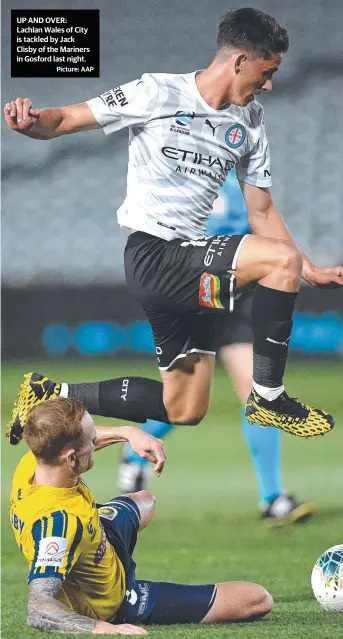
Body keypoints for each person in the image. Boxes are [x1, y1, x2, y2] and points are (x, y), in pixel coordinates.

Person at [6, 8, 343, 447]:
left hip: (187, 262)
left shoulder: (251, 121)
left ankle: (50, 393)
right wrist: (32, 123)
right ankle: (268, 395)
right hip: (154, 254)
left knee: (184, 407)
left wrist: (310, 269)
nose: (269, 84)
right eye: (267, 71)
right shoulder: (157, 91)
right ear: (239, 61)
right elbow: (66, 119)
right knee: (279, 259)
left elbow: (261, 211)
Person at [119, 174, 316, 524]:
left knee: (257, 393)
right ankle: (134, 455)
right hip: (193, 288)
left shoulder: (245, 178)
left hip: (238, 290)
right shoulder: (182, 169)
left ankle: (272, 497)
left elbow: (262, 223)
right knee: (185, 401)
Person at [10, 396, 273, 634]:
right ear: (70, 459)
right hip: (117, 601)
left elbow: (76, 440)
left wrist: (128, 433)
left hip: (100, 535)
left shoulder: (34, 462)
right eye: (92, 441)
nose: (97, 442)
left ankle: (101, 531)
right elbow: (39, 607)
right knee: (257, 599)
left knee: (145, 500)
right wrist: (100, 628)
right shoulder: (58, 525)